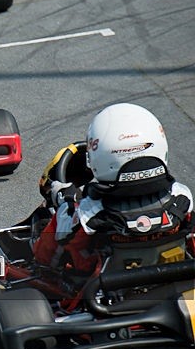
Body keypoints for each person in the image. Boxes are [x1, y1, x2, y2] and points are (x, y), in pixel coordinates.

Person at [33, 103, 193, 274]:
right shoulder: (182, 197)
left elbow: (51, 253)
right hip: (174, 279)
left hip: (106, 292)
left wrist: (66, 203)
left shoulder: (90, 212)